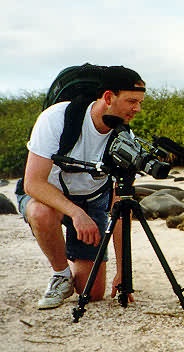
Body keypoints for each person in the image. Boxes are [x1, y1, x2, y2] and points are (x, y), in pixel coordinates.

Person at [17, 66, 146, 309]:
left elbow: (121, 206)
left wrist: (123, 271)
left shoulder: (122, 137)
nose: (137, 109)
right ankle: (60, 274)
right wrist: (76, 213)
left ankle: (78, 261)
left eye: (139, 102)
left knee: (93, 292)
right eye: (131, 101)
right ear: (108, 97)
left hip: (91, 198)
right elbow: (32, 182)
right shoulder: (56, 118)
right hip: (49, 195)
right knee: (41, 213)